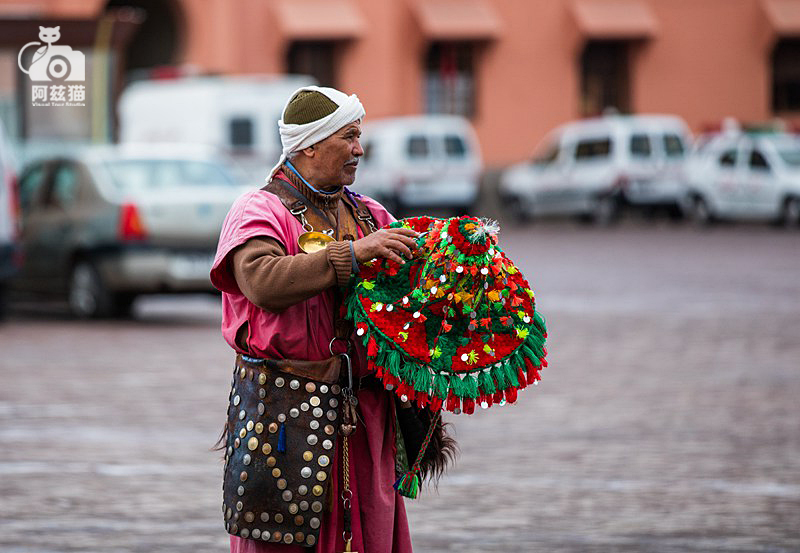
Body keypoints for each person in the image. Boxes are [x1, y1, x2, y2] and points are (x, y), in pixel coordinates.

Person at [210, 86, 420, 553]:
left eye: (359, 137)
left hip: (365, 420)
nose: (359, 149)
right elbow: (262, 281)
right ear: (308, 144)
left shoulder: (368, 215)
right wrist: (349, 256)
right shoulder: (259, 210)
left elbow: (408, 298)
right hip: (285, 422)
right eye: (348, 137)